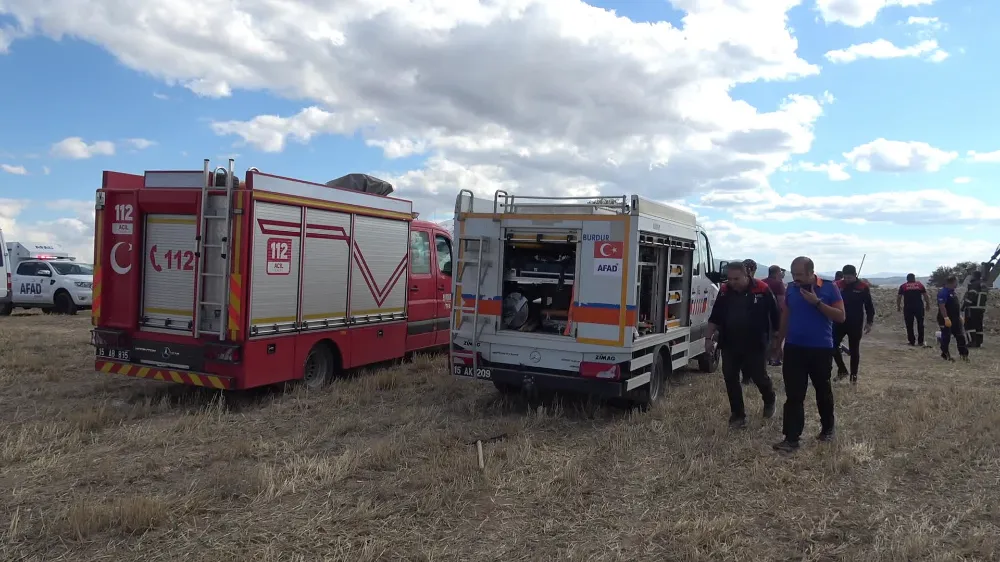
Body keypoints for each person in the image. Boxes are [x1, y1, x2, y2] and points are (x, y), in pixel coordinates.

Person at [772, 256, 845, 453]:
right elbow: (786, 316)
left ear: (812, 272)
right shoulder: (791, 288)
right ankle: (791, 438)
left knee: (823, 390)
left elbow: (840, 316)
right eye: (793, 274)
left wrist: (817, 303)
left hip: (820, 348)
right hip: (795, 348)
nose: (796, 278)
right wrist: (779, 344)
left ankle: (828, 429)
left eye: (800, 275)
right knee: (794, 394)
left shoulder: (830, 287)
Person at [706, 262, 779, 429]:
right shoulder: (724, 291)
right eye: (730, 279)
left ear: (747, 275)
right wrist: (708, 339)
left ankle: (769, 399)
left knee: (758, 376)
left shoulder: (762, 289)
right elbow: (715, 317)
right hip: (730, 342)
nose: (732, 282)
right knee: (730, 378)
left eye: (736, 279)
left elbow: (776, 315)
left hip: (756, 342)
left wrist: (776, 340)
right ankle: (738, 416)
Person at [833, 265, 875, 383]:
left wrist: (869, 322)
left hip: (855, 323)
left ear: (855, 275)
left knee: (854, 350)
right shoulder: (837, 285)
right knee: (832, 346)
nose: (847, 280)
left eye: (849, 277)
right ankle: (842, 370)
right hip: (839, 321)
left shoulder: (862, 287)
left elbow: (869, 306)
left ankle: (853, 377)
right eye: (845, 277)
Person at [937, 275, 969, 361]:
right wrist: (946, 318)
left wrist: (959, 316)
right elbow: (942, 306)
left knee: (960, 336)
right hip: (946, 319)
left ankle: (964, 355)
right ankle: (945, 354)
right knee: (946, 337)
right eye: (956, 282)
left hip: (956, 319)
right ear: (952, 282)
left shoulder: (953, 292)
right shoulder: (943, 292)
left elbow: (955, 306)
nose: (957, 284)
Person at [897, 273, 930, 347]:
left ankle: (911, 341)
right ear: (914, 278)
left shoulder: (903, 286)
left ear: (907, 279)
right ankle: (920, 342)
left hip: (908, 308)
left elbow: (899, 297)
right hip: (919, 307)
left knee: (909, 325)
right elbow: (925, 295)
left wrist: (898, 306)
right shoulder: (919, 285)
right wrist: (927, 304)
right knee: (920, 324)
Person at [765, 264, 787, 366]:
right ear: (777, 273)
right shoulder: (778, 284)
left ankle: (766, 357)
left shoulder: (762, 282)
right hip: (774, 314)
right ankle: (775, 358)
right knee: (776, 336)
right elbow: (781, 302)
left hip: (762, 314)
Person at [963, 271, 986, 348]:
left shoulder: (974, 284)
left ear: (974, 276)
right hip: (980, 309)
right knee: (978, 326)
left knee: (969, 325)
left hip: (972, 309)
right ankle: (978, 342)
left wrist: (963, 306)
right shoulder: (983, 284)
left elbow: (971, 297)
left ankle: (972, 342)